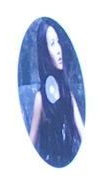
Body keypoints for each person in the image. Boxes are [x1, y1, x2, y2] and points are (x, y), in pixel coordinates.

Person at [28, 18, 84, 168]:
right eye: (52, 44)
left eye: (58, 42)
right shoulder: (40, 99)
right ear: (45, 53)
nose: (59, 49)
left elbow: (83, 134)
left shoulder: (68, 94)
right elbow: (30, 146)